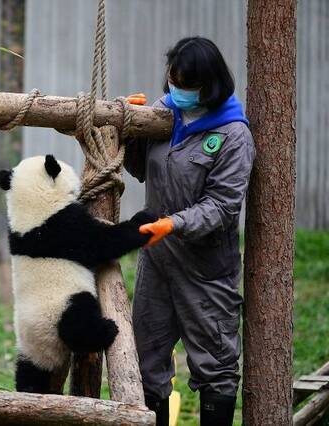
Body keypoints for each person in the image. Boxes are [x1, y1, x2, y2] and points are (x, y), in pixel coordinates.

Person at [124, 36, 255, 426]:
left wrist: (174, 223)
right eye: (173, 79)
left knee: (214, 363)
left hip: (206, 269)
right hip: (158, 261)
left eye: (187, 83)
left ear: (209, 85)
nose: (176, 89)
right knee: (148, 359)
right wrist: (130, 127)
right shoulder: (166, 114)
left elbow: (222, 205)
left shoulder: (233, 136)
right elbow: (141, 169)